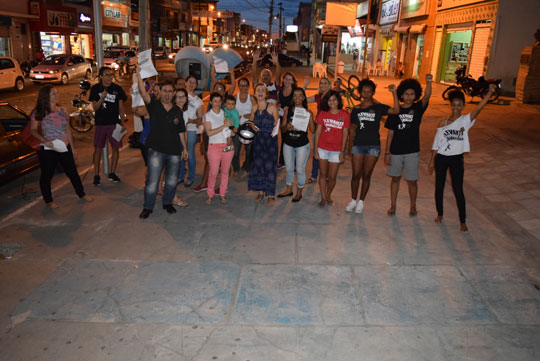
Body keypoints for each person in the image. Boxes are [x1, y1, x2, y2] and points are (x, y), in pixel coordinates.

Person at [428, 84, 497, 232]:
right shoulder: (443, 123)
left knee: (458, 189)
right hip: (441, 158)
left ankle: (462, 221)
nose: (456, 108)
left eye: (459, 105)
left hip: (456, 159)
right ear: (450, 105)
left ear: (463, 106)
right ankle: (440, 214)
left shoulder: (466, 121)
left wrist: (490, 92)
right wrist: (431, 161)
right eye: (453, 105)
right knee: (438, 188)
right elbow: (436, 143)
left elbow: (479, 108)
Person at [134, 71, 188, 219]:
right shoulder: (154, 105)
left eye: (170, 91)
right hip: (156, 151)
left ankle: (167, 202)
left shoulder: (177, 111)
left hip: (174, 151)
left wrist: (184, 149)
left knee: (171, 181)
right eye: (165, 91)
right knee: (152, 181)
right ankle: (148, 207)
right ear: (161, 92)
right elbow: (143, 93)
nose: (167, 94)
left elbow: (181, 131)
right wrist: (139, 76)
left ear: (174, 93)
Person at [29, 86, 93, 208]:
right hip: (49, 147)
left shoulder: (62, 110)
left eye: (56, 93)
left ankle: (81, 194)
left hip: (64, 145)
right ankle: (48, 200)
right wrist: (44, 140)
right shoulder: (39, 112)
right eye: (53, 93)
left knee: (72, 172)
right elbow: (33, 130)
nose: (57, 95)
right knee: (47, 174)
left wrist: (72, 148)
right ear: (46, 96)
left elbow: (67, 129)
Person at [346, 79, 400, 213]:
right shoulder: (356, 109)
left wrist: (394, 93)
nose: (366, 93)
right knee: (355, 175)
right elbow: (352, 129)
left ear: (373, 92)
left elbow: (396, 110)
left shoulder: (378, 108)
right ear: (360, 92)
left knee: (366, 175)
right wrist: (349, 145)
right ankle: (353, 200)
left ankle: (361, 202)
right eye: (364, 91)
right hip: (358, 145)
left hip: (373, 146)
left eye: (369, 91)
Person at [384, 74, 433, 216]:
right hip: (396, 151)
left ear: (416, 94)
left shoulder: (418, 108)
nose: (409, 96)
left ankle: (413, 206)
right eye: (406, 94)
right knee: (395, 179)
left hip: (412, 151)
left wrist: (429, 82)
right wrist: (387, 152)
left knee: (412, 181)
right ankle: (393, 205)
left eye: (412, 94)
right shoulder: (395, 111)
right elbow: (390, 133)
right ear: (401, 95)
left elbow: (427, 97)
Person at [89, 66, 127, 186]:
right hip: (100, 123)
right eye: (106, 75)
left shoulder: (117, 89)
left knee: (115, 148)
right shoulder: (95, 89)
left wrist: (123, 122)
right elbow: (95, 107)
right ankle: (96, 175)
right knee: (98, 149)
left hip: (114, 123)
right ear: (101, 76)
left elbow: (121, 106)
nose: (109, 77)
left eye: (111, 75)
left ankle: (112, 172)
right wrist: (102, 97)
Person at [277, 88, 314, 202]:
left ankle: (299, 191)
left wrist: (311, 117)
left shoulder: (307, 112)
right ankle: (289, 189)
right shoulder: (287, 110)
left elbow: (312, 130)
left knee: (300, 170)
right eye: (295, 95)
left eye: (300, 96)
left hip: (302, 145)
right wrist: (286, 127)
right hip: (288, 144)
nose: (297, 98)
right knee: (288, 169)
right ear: (292, 98)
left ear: (303, 98)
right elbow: (282, 129)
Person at [314, 90, 350, 208]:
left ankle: (329, 195)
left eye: (334, 99)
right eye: (329, 100)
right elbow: (318, 133)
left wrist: (342, 152)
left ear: (338, 100)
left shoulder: (345, 115)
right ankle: (324, 198)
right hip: (323, 148)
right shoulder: (323, 114)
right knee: (323, 174)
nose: (332, 102)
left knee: (332, 176)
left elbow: (345, 134)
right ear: (326, 102)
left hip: (336, 150)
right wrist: (315, 150)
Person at [248, 83, 280, 205]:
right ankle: (260, 192)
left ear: (266, 93)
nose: (260, 92)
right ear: (255, 93)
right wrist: (252, 126)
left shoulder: (272, 107)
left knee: (270, 168)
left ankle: (271, 195)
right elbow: (251, 121)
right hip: (258, 141)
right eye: (258, 90)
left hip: (270, 142)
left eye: (262, 90)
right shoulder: (254, 107)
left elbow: (277, 125)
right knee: (258, 166)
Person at [204, 93, 234, 204]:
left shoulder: (226, 114)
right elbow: (209, 133)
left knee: (225, 172)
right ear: (211, 102)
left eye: (219, 101)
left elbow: (231, 131)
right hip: (214, 146)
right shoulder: (208, 115)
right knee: (213, 172)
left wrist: (231, 135)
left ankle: (222, 194)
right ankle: (210, 194)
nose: (217, 103)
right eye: (215, 101)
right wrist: (223, 126)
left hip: (226, 145)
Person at [306, 77, 331, 184]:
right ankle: (314, 175)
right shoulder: (317, 97)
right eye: (321, 83)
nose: (323, 85)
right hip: (317, 126)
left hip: (329, 127)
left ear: (329, 85)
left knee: (328, 152)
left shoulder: (333, 97)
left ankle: (326, 175)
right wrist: (304, 86)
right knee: (316, 151)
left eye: (325, 83)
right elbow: (303, 100)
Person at [179, 75, 203, 188]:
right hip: (179, 129)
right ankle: (180, 176)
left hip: (191, 130)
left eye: (194, 82)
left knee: (190, 153)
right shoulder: (179, 95)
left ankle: (191, 177)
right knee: (180, 153)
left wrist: (190, 121)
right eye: (190, 82)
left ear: (196, 85)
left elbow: (200, 119)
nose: (191, 84)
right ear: (185, 82)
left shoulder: (198, 100)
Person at [232, 77, 255, 175]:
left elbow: (257, 112)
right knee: (236, 151)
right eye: (241, 85)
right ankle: (236, 169)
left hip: (248, 127)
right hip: (237, 127)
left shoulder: (252, 98)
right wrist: (234, 116)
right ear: (239, 86)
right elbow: (228, 111)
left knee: (249, 150)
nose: (243, 87)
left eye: (245, 85)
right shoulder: (235, 97)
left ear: (248, 86)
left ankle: (248, 168)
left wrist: (251, 116)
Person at [172, 88, 191, 207]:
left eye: (182, 97)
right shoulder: (175, 112)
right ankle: (173, 197)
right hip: (174, 146)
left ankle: (171, 195)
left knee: (173, 172)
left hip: (177, 146)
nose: (180, 99)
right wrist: (183, 148)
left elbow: (183, 131)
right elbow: (178, 132)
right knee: (172, 173)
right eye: (178, 97)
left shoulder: (180, 111)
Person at [277, 72, 297, 169]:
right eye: (285, 79)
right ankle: (282, 161)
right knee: (284, 139)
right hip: (283, 117)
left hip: (293, 118)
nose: (287, 81)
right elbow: (279, 102)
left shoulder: (295, 91)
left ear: (293, 81)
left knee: (293, 139)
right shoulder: (281, 90)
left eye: (290, 79)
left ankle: (294, 163)